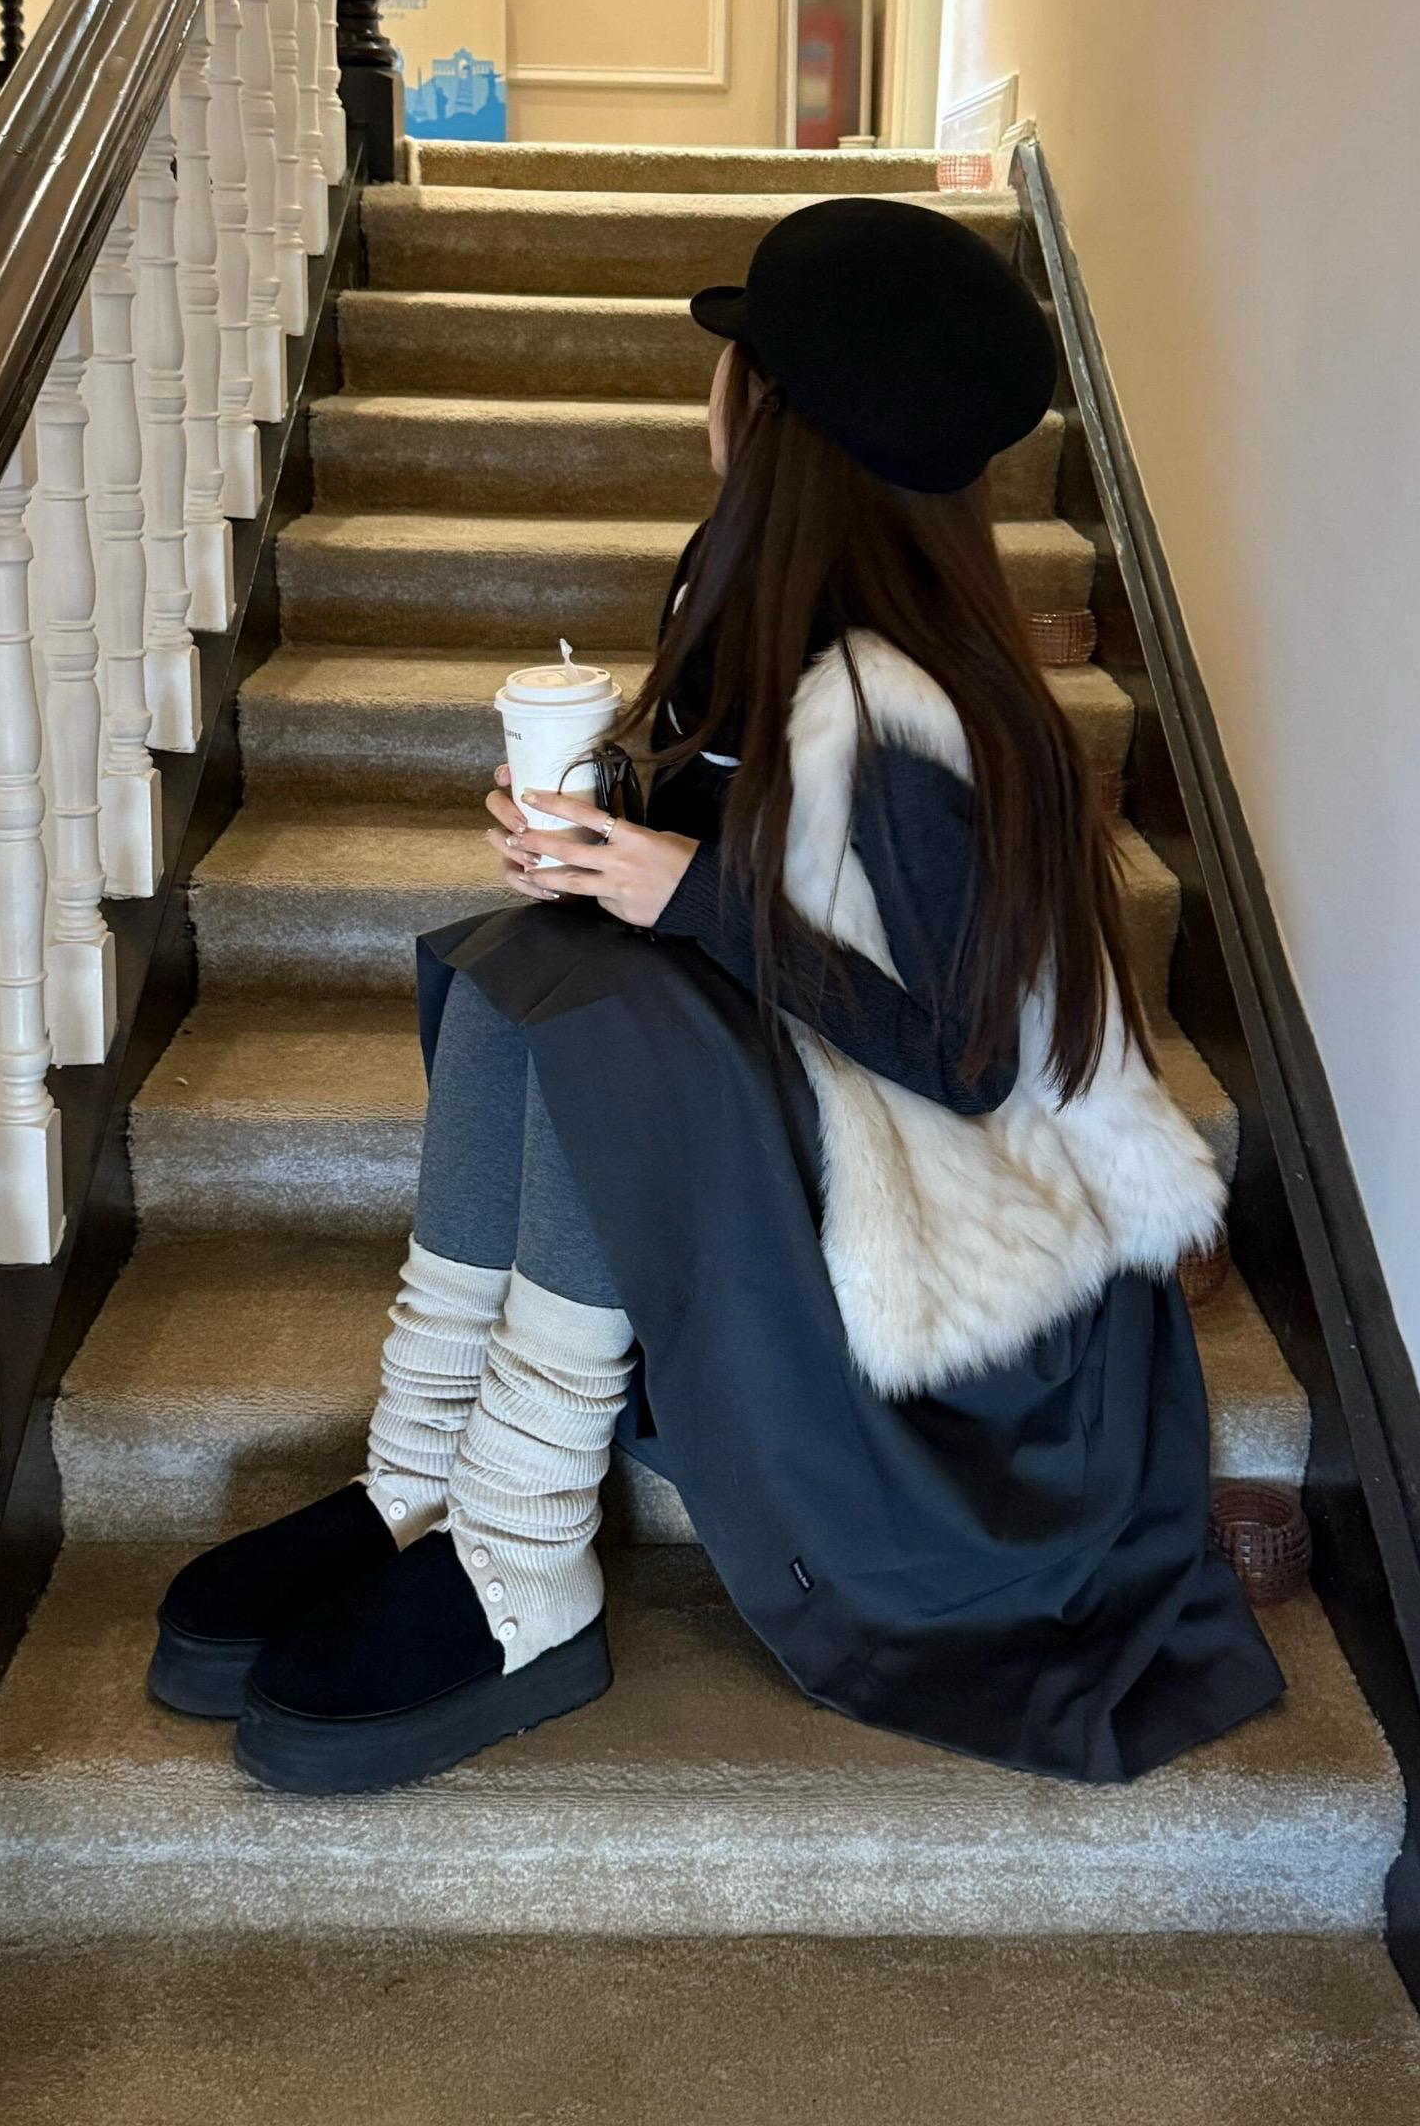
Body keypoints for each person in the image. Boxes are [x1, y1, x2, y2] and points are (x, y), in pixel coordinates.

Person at [150, 194, 1287, 1795]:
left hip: (969, 1302)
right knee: (531, 973)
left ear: (772, 415)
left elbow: (966, 1057)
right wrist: (596, 835)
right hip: (844, 1139)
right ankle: (421, 1476)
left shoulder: (909, 713)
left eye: (731, 362)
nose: (710, 392)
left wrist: (681, 895)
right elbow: (738, 878)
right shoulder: (762, 618)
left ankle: (522, 1557)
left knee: (618, 1025)